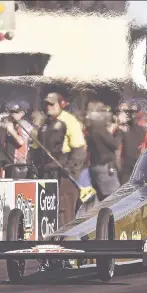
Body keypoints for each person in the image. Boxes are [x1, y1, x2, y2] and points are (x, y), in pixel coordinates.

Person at [37, 92, 87, 226]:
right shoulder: (45, 123)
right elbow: (37, 147)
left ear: (61, 105)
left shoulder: (69, 121)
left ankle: (67, 241)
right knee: (48, 209)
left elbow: (79, 149)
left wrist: (69, 169)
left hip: (64, 172)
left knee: (64, 209)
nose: (48, 107)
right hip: (47, 173)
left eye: (52, 104)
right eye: (46, 104)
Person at [0, 101, 33, 178]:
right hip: (6, 166)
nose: (13, 114)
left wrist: (11, 131)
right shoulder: (7, 126)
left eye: (16, 112)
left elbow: (21, 142)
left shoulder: (23, 124)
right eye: (11, 112)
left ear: (22, 113)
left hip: (19, 166)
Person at [85, 106, 120, 201]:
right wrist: (117, 131)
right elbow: (115, 144)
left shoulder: (90, 129)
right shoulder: (100, 130)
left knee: (101, 199)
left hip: (94, 165)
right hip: (105, 167)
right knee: (113, 198)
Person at [114, 102, 147, 185]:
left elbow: (116, 149)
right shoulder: (143, 130)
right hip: (137, 164)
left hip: (126, 166)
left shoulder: (121, 130)